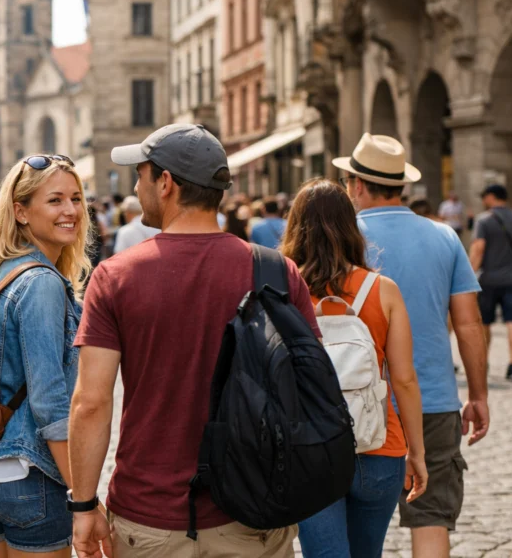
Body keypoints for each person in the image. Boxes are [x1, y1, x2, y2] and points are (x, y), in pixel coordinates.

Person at [69, 124, 319, 558]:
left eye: (141, 174)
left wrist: (84, 502)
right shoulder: (277, 271)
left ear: (165, 183)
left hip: (150, 515)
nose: (135, 185)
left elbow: (91, 402)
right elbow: (309, 382)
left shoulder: (115, 277)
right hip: (253, 509)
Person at [337, 133, 489, 557]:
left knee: (354, 519)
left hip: (355, 399)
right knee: (432, 515)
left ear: (358, 185)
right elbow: (469, 323)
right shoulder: (444, 237)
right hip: (434, 401)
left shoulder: (344, 238)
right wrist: (477, 395)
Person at [0, 155, 92, 557]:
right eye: (55, 200)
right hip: (27, 477)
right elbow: (49, 402)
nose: (70, 211)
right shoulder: (40, 283)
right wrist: (82, 497)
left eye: (77, 199)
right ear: (21, 211)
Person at [280, 179, 428, 557]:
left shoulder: (281, 288)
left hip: (310, 449)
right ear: (351, 226)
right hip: (380, 444)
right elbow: (405, 379)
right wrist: (417, 452)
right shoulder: (383, 290)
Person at [470, 184, 512, 382]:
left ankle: (485, 362)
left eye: (484, 197)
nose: (483, 201)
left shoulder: (484, 221)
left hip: (488, 280)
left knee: (485, 323)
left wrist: (468, 275)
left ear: (492, 197)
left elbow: (478, 250)